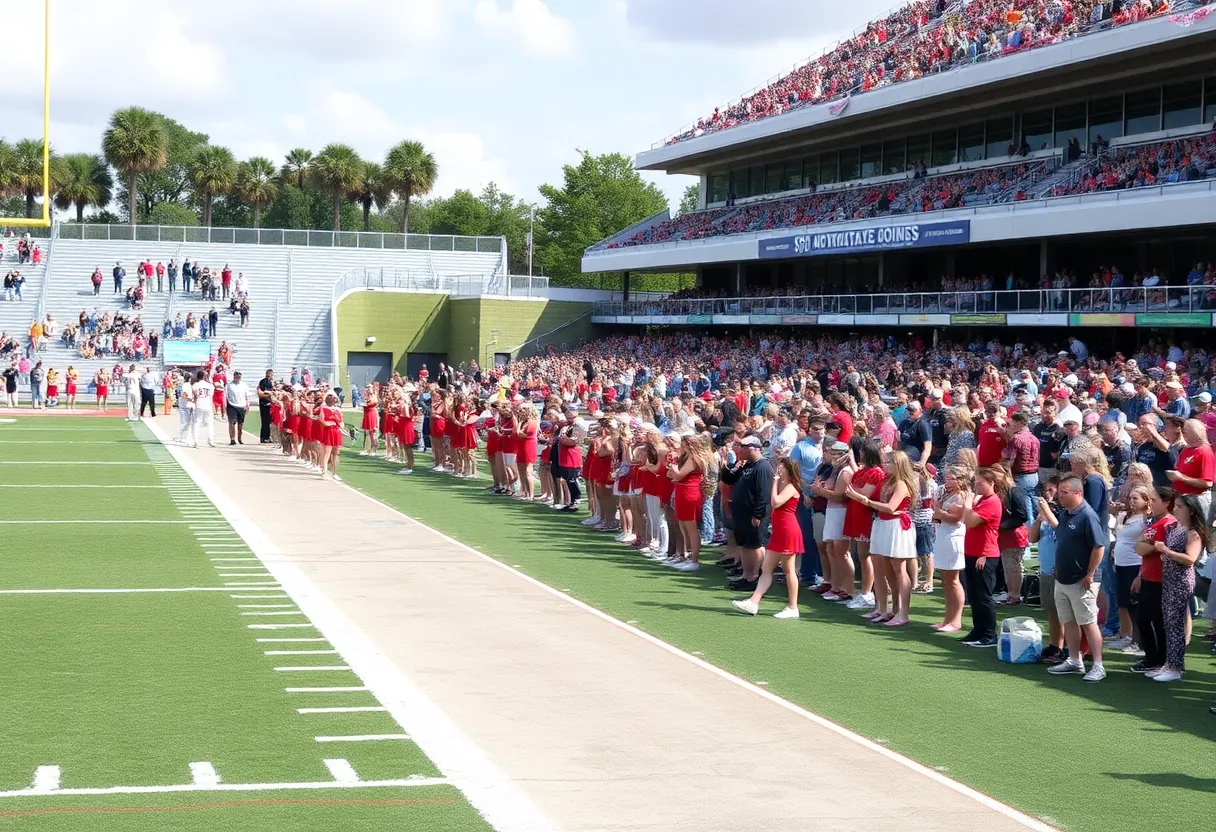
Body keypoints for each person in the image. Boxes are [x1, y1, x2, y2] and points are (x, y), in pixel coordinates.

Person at [1041, 475, 1107, 682]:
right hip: (1063, 578)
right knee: (1068, 621)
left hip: (1082, 579)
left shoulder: (1087, 515)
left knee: (1088, 622)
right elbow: (1062, 537)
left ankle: (1098, 665)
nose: (1059, 496)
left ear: (1078, 493)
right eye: (1059, 492)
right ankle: (1073, 659)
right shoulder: (1068, 514)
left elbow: (1099, 546)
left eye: (1064, 492)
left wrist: (1089, 573)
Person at [732, 456, 803, 618]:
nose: (778, 469)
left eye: (781, 467)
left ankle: (793, 607)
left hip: (788, 530)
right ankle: (754, 602)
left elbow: (776, 502)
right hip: (780, 530)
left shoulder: (791, 486)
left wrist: (775, 482)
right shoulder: (782, 484)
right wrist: (776, 483)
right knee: (766, 569)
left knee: (789, 570)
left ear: (789, 469)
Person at [855, 450, 919, 626]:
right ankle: (893, 610)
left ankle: (903, 613)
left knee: (899, 570)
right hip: (883, 524)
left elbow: (890, 507)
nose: (885, 466)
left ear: (898, 465)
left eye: (889, 463)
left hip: (896, 526)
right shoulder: (889, 481)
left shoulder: (901, 484)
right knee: (888, 570)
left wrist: (864, 500)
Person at [1150, 494, 1207, 682]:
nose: (1175, 509)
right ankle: (1169, 663)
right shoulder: (1175, 528)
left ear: (1190, 510)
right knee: (1169, 623)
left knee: (1175, 625)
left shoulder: (1193, 532)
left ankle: (1175, 667)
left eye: (1180, 507)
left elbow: (1190, 559)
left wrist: (1166, 551)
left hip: (1180, 581)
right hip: (1170, 579)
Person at [720, 435, 774, 587]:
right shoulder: (746, 465)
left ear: (756, 448)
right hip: (741, 513)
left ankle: (754, 576)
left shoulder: (762, 467)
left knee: (754, 545)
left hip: (753, 514)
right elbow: (729, 479)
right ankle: (746, 574)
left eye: (744, 447)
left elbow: (764, 494)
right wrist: (726, 464)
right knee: (744, 545)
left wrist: (758, 514)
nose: (740, 450)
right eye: (740, 446)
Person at [960, 466, 1003, 647]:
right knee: (975, 595)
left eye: (980, 483)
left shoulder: (992, 502)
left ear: (991, 483)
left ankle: (989, 633)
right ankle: (978, 630)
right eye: (975, 483)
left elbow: (970, 520)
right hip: (972, 552)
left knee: (984, 595)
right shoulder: (982, 500)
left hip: (985, 554)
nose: (976, 486)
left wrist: (968, 504)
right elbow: (965, 519)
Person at [932, 464, 969, 632]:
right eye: (946, 477)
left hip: (953, 538)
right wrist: (938, 512)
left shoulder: (963, 496)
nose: (947, 481)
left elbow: (956, 518)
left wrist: (939, 513)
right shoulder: (945, 493)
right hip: (942, 535)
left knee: (953, 580)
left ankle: (956, 620)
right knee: (945, 581)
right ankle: (947, 618)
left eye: (951, 478)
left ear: (961, 480)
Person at [192, 370, 215, 447]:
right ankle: (210, 440)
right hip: (208, 404)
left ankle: (196, 440)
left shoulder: (195, 385)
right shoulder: (210, 386)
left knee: (197, 422)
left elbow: (194, 396)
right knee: (209, 423)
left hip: (199, 404)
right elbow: (211, 397)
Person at [225, 371, 249, 445]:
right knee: (232, 422)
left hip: (242, 406)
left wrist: (247, 405)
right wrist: (225, 406)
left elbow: (247, 397)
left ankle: (239, 438)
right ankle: (232, 439)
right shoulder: (229, 385)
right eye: (236, 376)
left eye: (239, 377)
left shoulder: (244, 385)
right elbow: (225, 396)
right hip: (232, 405)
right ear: (234, 376)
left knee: (240, 424)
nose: (237, 378)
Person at [257, 369, 275, 444]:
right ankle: (264, 437)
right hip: (264, 404)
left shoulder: (271, 382)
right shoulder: (264, 381)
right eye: (269, 374)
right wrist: (270, 394)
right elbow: (262, 392)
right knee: (265, 421)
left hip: (270, 404)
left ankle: (267, 436)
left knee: (269, 421)